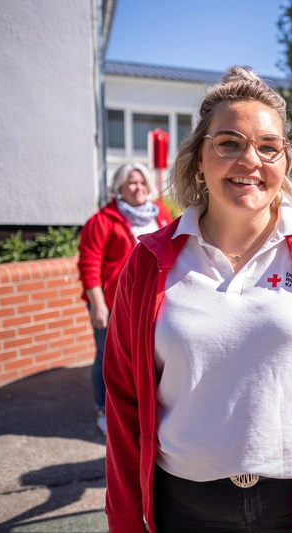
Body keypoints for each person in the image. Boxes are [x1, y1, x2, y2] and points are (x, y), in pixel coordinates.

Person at [102, 66, 292, 533]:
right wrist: (122, 517)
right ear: (200, 157)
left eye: (268, 147)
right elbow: (122, 401)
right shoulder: (148, 261)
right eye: (229, 143)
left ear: (285, 161)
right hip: (183, 504)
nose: (250, 160)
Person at [77, 163, 173, 435]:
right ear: (118, 187)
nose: (138, 188)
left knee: (145, 357)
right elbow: (89, 265)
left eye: (142, 182)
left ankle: (139, 408)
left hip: (151, 301)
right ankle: (104, 411)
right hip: (112, 303)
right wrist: (98, 305)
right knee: (107, 357)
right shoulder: (102, 221)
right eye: (131, 182)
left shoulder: (162, 214)